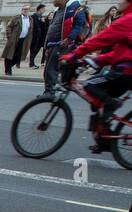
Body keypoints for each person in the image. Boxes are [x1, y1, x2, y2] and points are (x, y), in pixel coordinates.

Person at [61, 0, 132, 152]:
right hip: (126, 69)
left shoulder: (127, 20)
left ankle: (109, 108)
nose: (119, 2)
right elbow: (121, 54)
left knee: (89, 85)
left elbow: (101, 39)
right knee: (99, 99)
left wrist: (75, 55)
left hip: (125, 72)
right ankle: (104, 138)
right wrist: (96, 59)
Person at [45, 0, 89, 89]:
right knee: (50, 69)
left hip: (63, 44)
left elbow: (79, 25)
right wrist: (47, 45)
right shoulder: (57, 10)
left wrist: (69, 38)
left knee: (52, 69)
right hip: (52, 44)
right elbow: (52, 27)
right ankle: (53, 89)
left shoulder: (76, 8)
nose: (52, 1)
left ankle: (51, 91)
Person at [3, 2, 32, 74]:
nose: (25, 11)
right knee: (9, 55)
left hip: (23, 40)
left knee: (18, 56)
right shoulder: (16, 18)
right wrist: (9, 36)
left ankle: (9, 67)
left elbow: (30, 29)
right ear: (22, 10)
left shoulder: (30, 19)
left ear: (29, 11)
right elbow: (9, 26)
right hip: (14, 39)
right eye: (24, 9)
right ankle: (8, 70)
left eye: (27, 9)